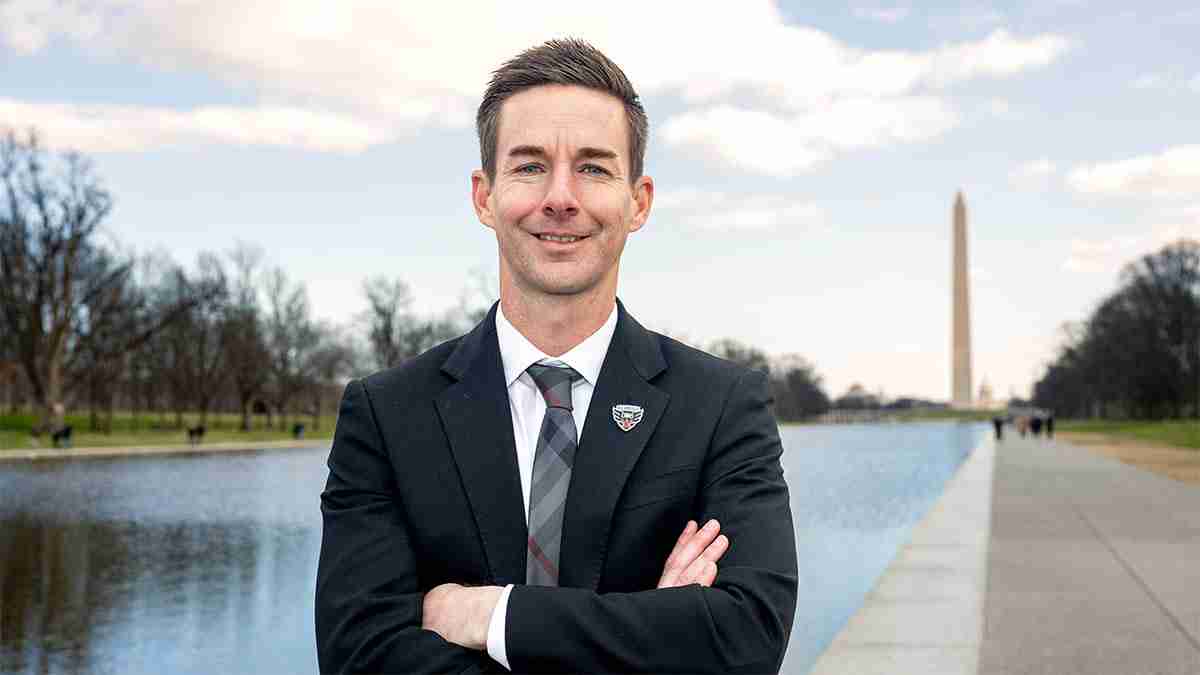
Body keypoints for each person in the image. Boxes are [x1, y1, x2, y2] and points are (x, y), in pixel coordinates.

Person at [315, 39, 798, 674]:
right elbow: (358, 656)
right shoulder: (386, 414)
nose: (561, 197)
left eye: (594, 168)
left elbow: (748, 640)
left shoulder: (722, 407)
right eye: (529, 166)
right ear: (484, 196)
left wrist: (494, 616)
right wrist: (655, 629)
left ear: (639, 201)